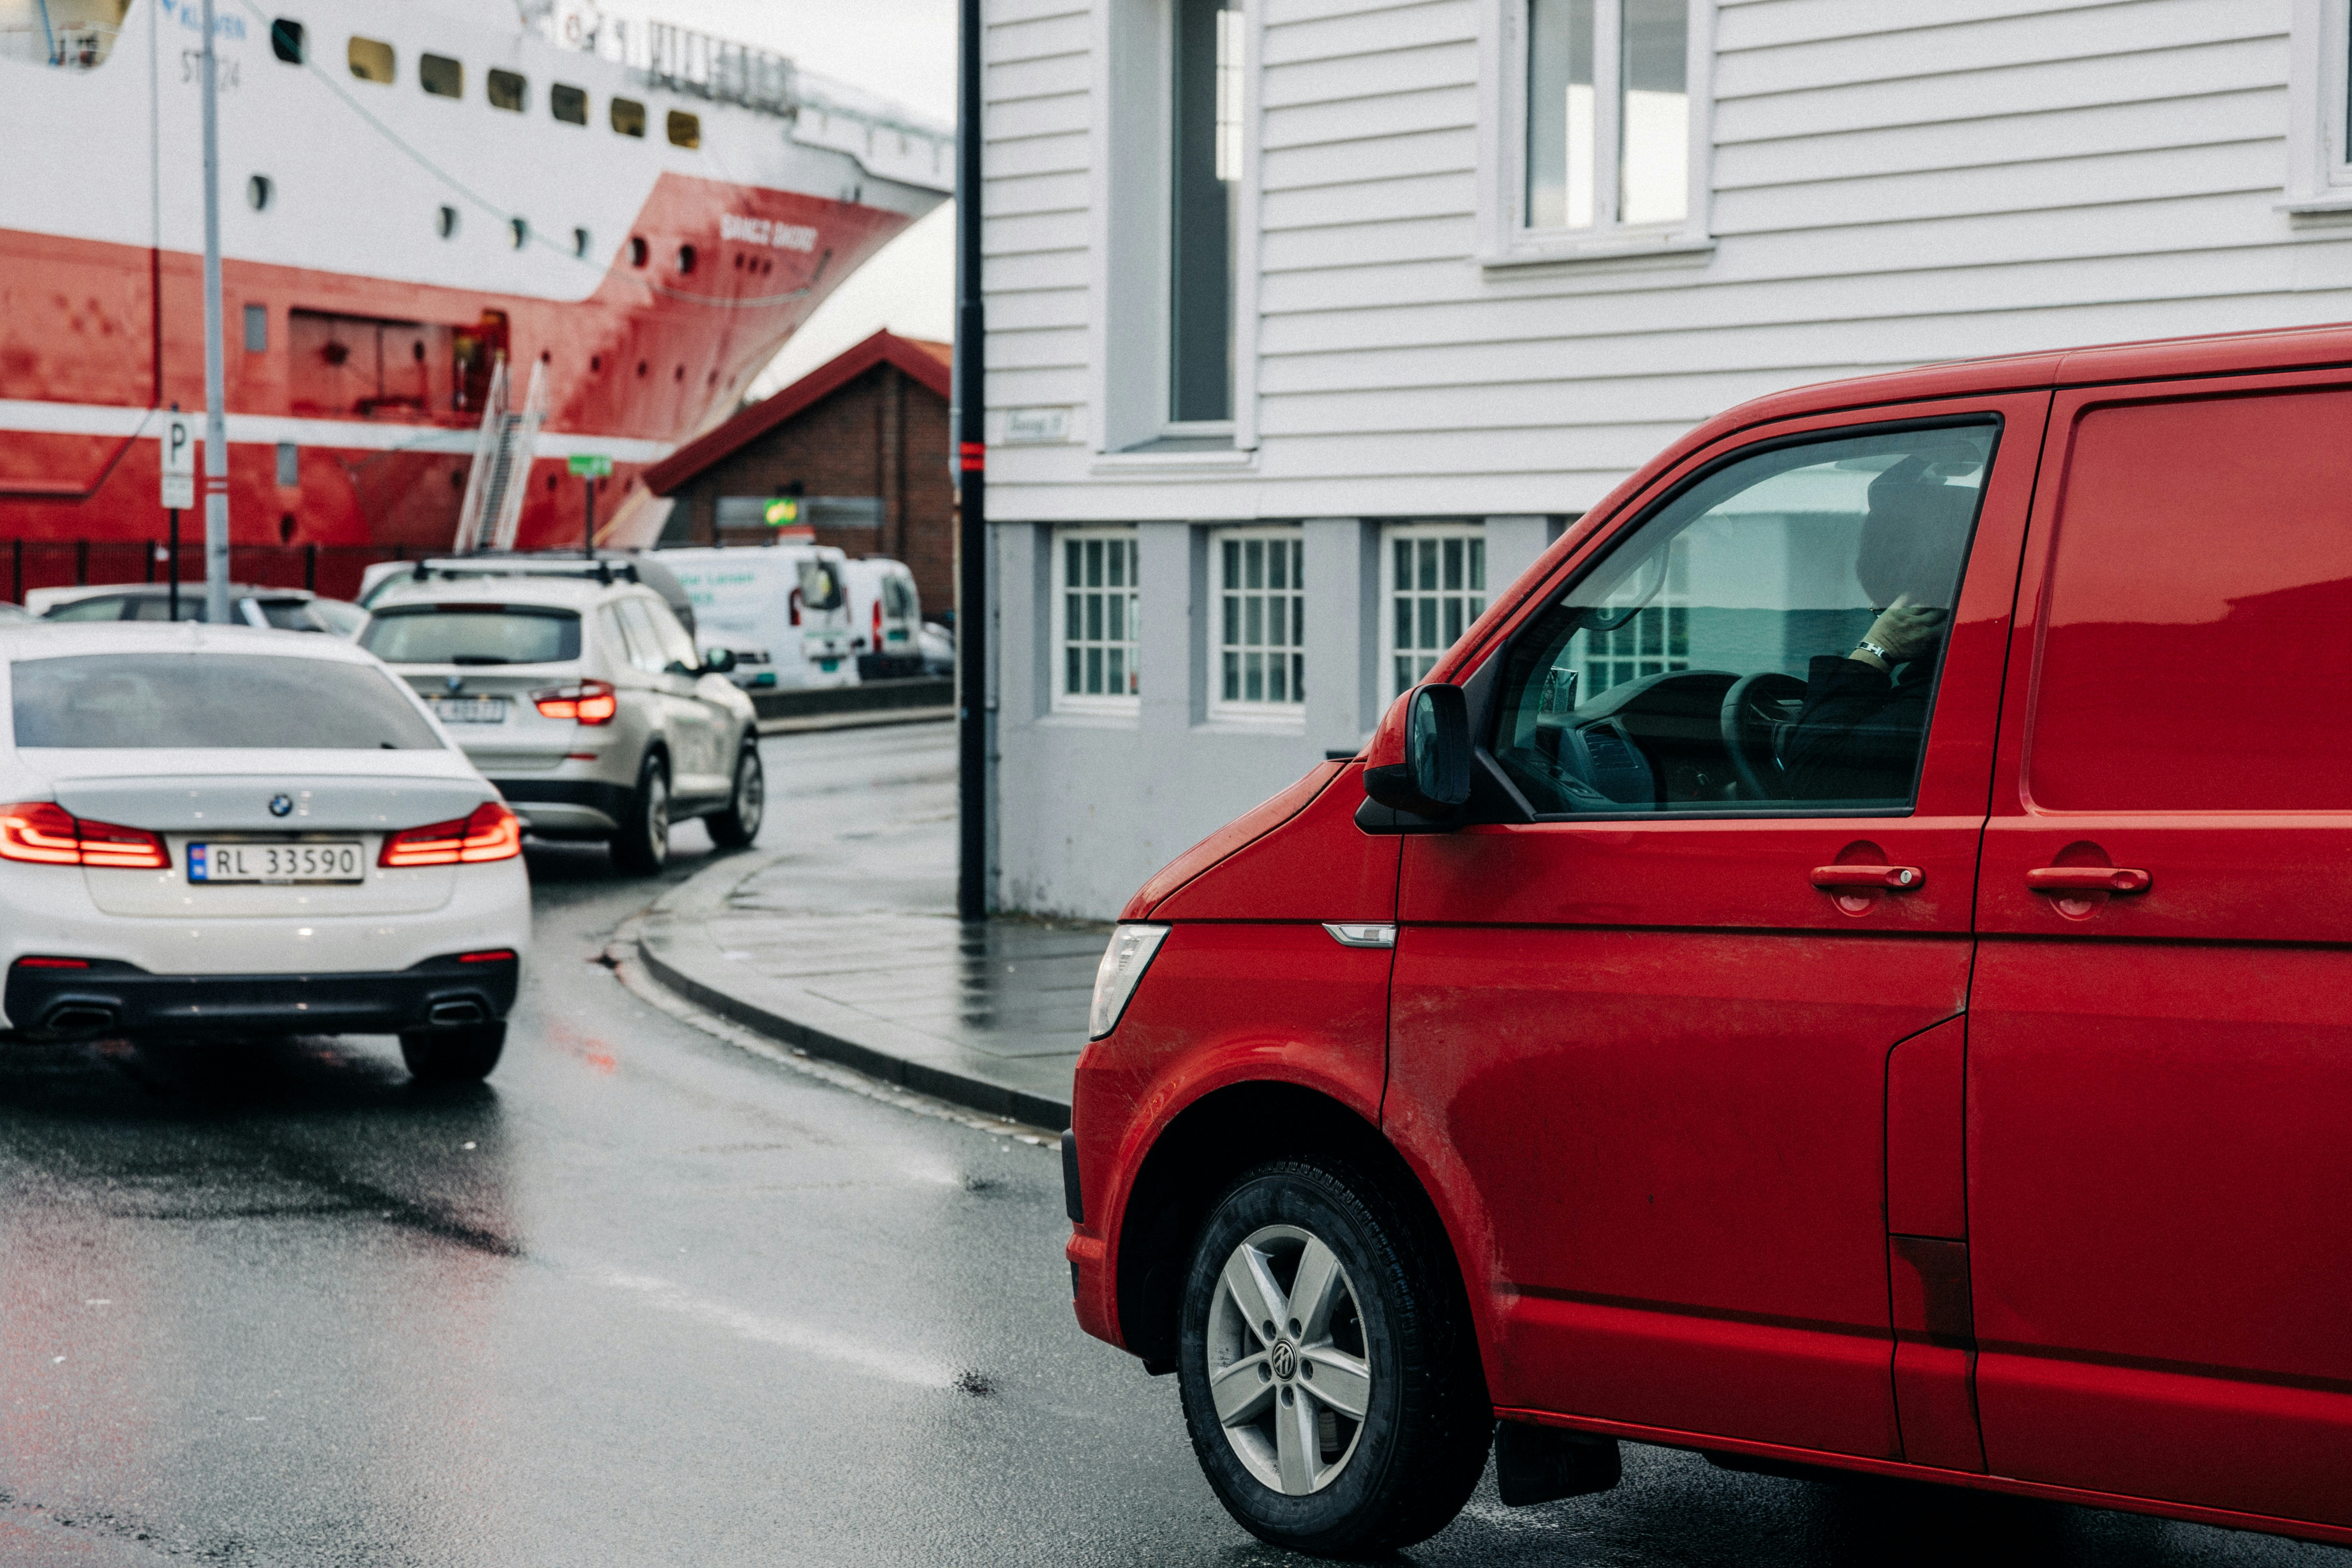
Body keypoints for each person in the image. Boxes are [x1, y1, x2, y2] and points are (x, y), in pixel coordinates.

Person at [1781, 454, 1980, 803]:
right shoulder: (1974, 675)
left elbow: (1811, 783)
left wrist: (1877, 647)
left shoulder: (1940, 699)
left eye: (1881, 613)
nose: (1881, 620)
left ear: (1914, 610)